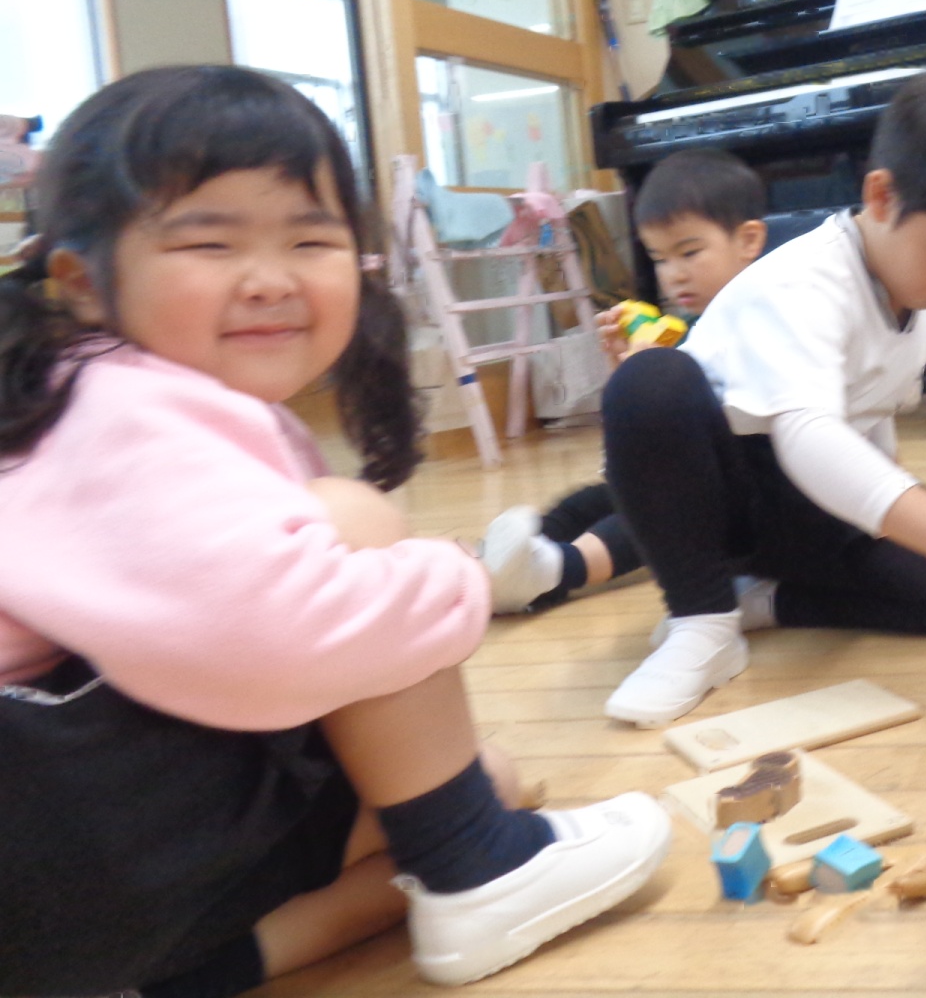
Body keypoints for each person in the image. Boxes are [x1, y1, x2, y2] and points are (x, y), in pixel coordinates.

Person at [0, 67, 672, 998]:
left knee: (482, 779)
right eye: (208, 242)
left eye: (310, 239)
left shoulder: (87, 389)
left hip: (58, 899)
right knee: (354, 526)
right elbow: (275, 637)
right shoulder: (118, 407)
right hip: (47, 836)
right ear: (80, 282)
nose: (270, 279)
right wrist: (456, 579)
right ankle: (479, 866)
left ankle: (191, 970)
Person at [599, 66, 926, 727]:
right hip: (720, 497)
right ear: (882, 196)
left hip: (802, 510)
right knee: (649, 381)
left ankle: (766, 602)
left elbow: (868, 423)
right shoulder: (807, 284)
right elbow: (806, 434)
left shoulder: (922, 308)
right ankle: (703, 621)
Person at [482, 149, 769, 613]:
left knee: (659, 510)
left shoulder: (761, 318)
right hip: (706, 484)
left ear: (748, 240)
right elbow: (651, 441)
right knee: (597, 500)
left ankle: (557, 569)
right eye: (659, 258)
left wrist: (655, 376)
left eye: (689, 252)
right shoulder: (694, 326)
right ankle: (502, 565)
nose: (673, 274)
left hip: (753, 501)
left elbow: (730, 428)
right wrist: (628, 374)